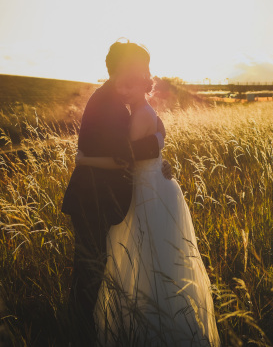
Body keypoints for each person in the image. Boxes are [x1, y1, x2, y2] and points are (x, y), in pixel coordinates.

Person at [76, 45, 219, 346]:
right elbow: (132, 151)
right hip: (108, 196)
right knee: (109, 269)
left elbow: (124, 157)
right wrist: (157, 144)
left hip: (145, 192)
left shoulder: (129, 107)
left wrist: (156, 145)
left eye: (135, 79)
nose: (126, 88)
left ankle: (148, 331)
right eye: (127, 78)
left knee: (146, 263)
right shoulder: (110, 103)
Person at [61, 40, 173, 344]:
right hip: (92, 200)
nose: (147, 74)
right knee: (90, 273)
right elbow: (125, 156)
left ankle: (80, 330)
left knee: (91, 270)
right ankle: (79, 334)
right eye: (143, 67)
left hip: (97, 200)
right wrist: (158, 144)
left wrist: (159, 153)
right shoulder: (109, 106)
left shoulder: (114, 98)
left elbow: (133, 150)